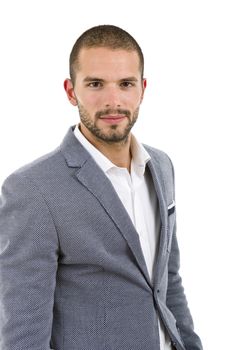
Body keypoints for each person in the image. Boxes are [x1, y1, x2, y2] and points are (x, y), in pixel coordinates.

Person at [0, 25, 203, 350]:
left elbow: (168, 281)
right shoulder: (32, 189)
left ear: (142, 89)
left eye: (125, 84)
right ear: (70, 91)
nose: (113, 101)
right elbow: (23, 335)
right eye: (95, 84)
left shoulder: (161, 166)